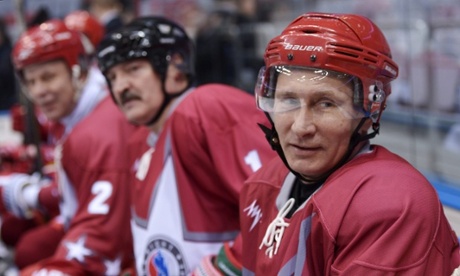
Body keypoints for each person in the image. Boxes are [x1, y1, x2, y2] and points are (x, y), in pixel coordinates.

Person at [234, 12, 460, 275]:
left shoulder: (392, 204)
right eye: (288, 100)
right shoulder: (263, 184)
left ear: (371, 110)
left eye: (326, 104)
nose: (300, 126)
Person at [96, 15, 277, 275]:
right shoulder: (140, 142)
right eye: (112, 77)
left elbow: (281, 204)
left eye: (133, 69)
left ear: (176, 68)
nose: (121, 86)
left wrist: (227, 267)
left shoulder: (205, 107)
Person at [4, 18, 136, 275]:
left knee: (28, 251)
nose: (39, 91)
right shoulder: (74, 110)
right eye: (31, 82)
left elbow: (103, 235)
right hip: (102, 233)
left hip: (126, 252)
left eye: (48, 77)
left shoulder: (102, 128)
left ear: (78, 69)